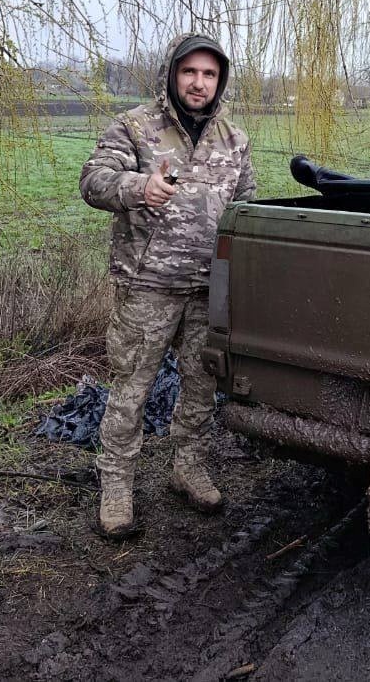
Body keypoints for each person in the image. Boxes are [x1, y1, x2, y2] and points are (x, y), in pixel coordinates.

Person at [79, 33, 256, 536]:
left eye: (209, 74)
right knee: (132, 388)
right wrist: (138, 187)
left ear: (219, 81)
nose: (199, 83)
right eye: (190, 72)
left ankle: (188, 466)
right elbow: (92, 181)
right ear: (172, 74)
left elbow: (246, 206)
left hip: (208, 290)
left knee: (202, 387)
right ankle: (116, 486)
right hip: (148, 287)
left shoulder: (234, 139)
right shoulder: (134, 127)